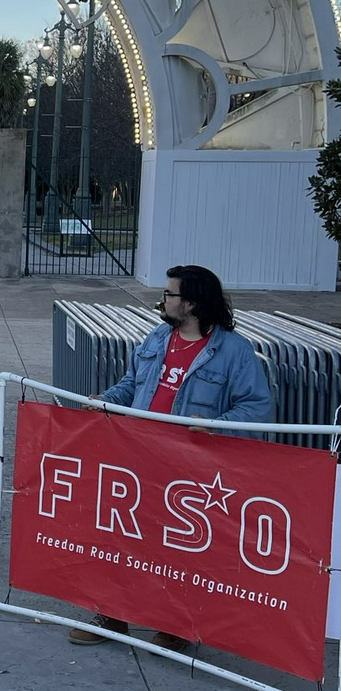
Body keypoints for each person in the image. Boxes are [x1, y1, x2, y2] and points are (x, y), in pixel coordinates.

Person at [68, 263, 273, 652]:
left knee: (179, 548)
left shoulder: (234, 352)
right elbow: (132, 384)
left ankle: (174, 622)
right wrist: (105, 401)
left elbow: (257, 409)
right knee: (121, 537)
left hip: (189, 470)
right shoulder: (158, 337)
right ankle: (110, 613)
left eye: (169, 294)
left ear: (191, 303)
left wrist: (214, 425)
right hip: (138, 457)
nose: (162, 300)